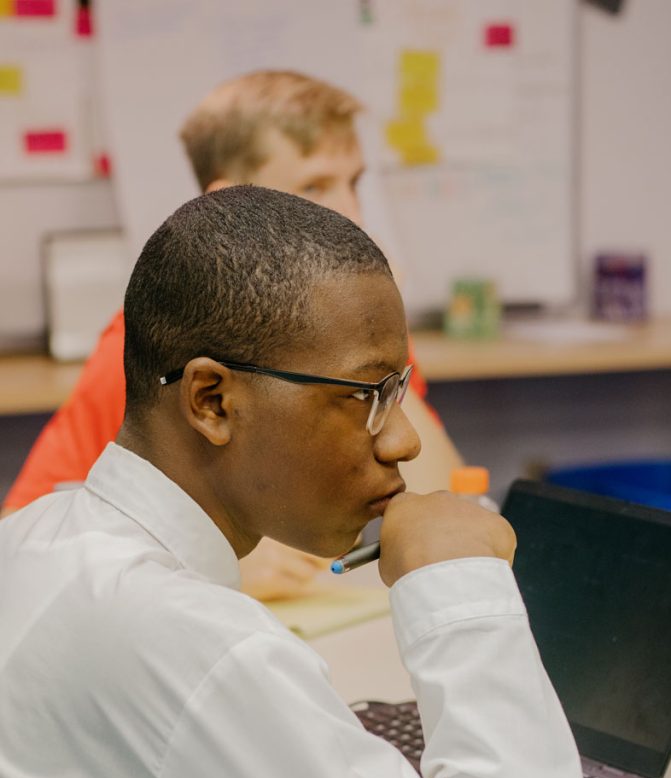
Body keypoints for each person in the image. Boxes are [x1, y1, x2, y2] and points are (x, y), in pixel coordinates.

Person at [0, 185, 601, 778]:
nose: (403, 441)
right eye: (364, 396)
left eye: (400, 391)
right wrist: (459, 585)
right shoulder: (191, 644)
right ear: (213, 400)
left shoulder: (42, 536)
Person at [1, 70, 464, 603]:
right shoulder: (161, 339)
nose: (353, 214)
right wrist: (209, 563)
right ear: (232, 201)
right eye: (315, 187)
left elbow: (435, 502)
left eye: (354, 183)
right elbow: (24, 541)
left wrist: (379, 339)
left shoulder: (350, 339)